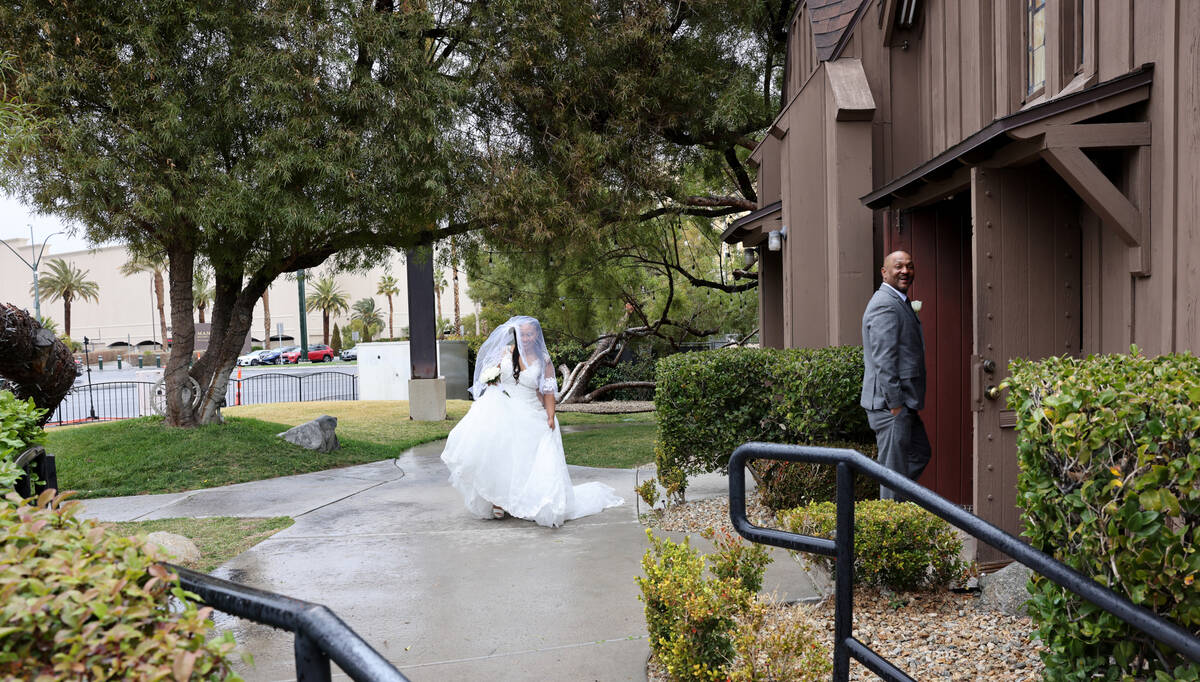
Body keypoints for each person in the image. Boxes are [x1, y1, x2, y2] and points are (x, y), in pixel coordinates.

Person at [440, 315, 624, 526]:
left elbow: (547, 392)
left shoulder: (543, 360)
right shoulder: (505, 353)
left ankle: (520, 498)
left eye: (529, 334)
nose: (526, 338)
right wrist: (491, 382)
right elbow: (493, 378)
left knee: (523, 457)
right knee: (496, 451)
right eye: (522, 334)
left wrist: (551, 415)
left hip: (528, 410)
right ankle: (497, 499)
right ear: (516, 335)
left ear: (536, 335)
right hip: (502, 407)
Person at [860, 251, 931, 500]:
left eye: (909, 267)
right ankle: (889, 526)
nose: (905, 271)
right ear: (884, 272)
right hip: (890, 406)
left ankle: (895, 498)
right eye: (898, 266)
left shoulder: (899, 300)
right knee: (892, 473)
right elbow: (884, 360)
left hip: (902, 404)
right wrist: (896, 405)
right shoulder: (884, 305)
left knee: (919, 453)